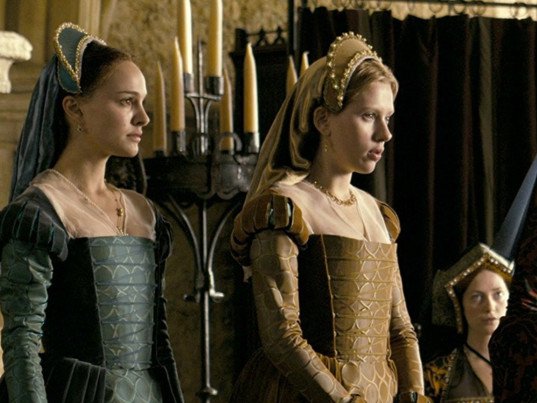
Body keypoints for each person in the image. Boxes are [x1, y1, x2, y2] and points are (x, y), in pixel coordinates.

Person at [229, 32, 429, 402]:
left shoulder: (379, 215)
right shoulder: (284, 209)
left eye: (388, 118)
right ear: (323, 119)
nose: (385, 134)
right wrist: (342, 400)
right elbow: (281, 336)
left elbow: (401, 329)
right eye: (368, 116)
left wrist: (413, 392)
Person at [0, 22, 184, 402]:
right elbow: (21, 343)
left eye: (143, 102)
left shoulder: (144, 213)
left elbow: (160, 344)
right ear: (74, 108)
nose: (143, 118)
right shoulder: (41, 212)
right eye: (127, 101)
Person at [423, 244, 512, 402]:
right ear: (460, 306)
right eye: (477, 297)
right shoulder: (437, 374)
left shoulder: (529, 365)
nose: (489, 307)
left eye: (498, 294)